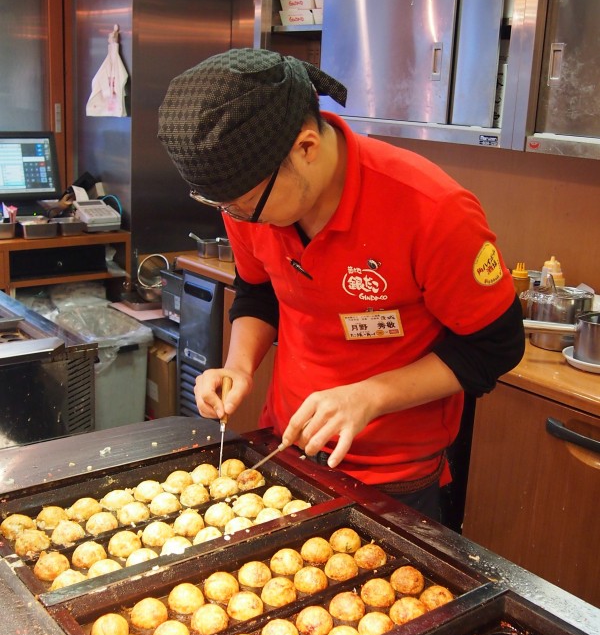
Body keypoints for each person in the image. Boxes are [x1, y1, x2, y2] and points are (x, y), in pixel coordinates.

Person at [158, 48, 524, 521]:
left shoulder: (432, 211)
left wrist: (369, 395)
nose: (241, 220)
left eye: (245, 205)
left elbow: (495, 346)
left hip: (395, 477)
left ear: (306, 147)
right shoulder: (251, 196)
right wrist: (239, 366)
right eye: (226, 208)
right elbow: (259, 290)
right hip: (287, 445)